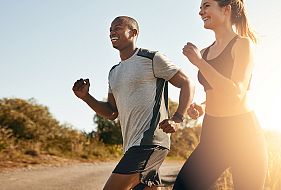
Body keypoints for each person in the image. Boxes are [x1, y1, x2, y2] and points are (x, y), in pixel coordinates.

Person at [72, 16, 195, 190]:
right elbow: (112, 112)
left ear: (134, 32)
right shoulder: (114, 72)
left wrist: (177, 118)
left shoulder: (152, 58)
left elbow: (186, 83)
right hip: (132, 146)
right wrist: (86, 97)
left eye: (118, 28)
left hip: (150, 141)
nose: (112, 32)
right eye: (110, 29)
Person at [173, 0, 268, 189]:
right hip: (213, 132)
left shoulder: (242, 44)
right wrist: (203, 106)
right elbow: (216, 90)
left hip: (243, 134)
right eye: (200, 8)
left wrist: (199, 63)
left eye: (206, 5)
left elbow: (236, 92)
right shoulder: (206, 52)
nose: (201, 12)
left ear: (226, 10)